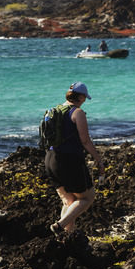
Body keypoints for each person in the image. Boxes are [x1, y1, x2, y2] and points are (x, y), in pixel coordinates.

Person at [47, 82, 105, 236]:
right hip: (69, 161)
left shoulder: (54, 110)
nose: (85, 100)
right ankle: (59, 226)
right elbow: (85, 141)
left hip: (51, 159)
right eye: (84, 97)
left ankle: (66, 237)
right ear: (80, 96)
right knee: (88, 197)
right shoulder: (77, 112)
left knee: (70, 200)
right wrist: (98, 160)